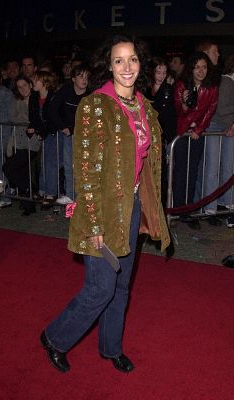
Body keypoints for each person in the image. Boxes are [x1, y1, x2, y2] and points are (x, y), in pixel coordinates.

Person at [40, 34, 170, 374]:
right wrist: (94, 223)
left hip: (132, 209)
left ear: (140, 64)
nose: (126, 67)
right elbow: (85, 170)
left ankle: (111, 348)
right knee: (101, 288)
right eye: (118, 60)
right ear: (108, 66)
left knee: (122, 286)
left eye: (132, 59)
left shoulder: (143, 104)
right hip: (100, 210)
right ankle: (55, 337)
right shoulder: (96, 106)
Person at [173, 52, 219, 229]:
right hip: (181, 133)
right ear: (191, 69)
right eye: (197, 67)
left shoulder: (212, 87)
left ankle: (188, 210)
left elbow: (210, 110)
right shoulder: (182, 85)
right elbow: (180, 112)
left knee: (193, 171)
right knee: (180, 171)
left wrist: (199, 129)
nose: (201, 71)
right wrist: (185, 102)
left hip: (198, 133)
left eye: (204, 67)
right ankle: (177, 209)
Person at [48, 63, 89, 205]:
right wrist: (62, 126)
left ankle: (85, 198)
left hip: (86, 136)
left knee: (85, 167)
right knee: (68, 165)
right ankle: (71, 195)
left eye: (86, 77)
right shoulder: (66, 91)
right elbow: (52, 109)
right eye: (80, 76)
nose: (84, 80)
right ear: (73, 78)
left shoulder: (91, 94)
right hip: (69, 135)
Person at [201, 55, 234, 225]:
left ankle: (226, 204)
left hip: (227, 127)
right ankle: (210, 206)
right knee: (213, 167)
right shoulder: (227, 81)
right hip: (215, 127)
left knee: (228, 167)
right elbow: (222, 109)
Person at [2, 75, 41, 215]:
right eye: (19, 87)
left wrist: (26, 121)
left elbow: (34, 118)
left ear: (30, 85)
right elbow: (12, 118)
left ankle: (28, 189)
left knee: (8, 167)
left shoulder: (36, 99)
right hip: (19, 141)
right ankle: (28, 206)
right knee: (22, 172)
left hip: (32, 142)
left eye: (24, 85)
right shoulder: (17, 101)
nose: (23, 89)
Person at [146, 56, 177, 206]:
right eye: (158, 72)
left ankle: (161, 205)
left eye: (164, 73)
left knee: (162, 173)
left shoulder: (168, 89)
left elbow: (169, 115)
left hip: (163, 136)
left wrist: (167, 136)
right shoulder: (145, 89)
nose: (161, 76)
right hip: (147, 136)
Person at [27, 71, 58, 209]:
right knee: (43, 161)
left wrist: (43, 131)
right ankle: (42, 190)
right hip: (43, 133)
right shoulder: (34, 97)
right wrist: (34, 127)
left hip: (53, 133)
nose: (32, 82)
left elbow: (54, 118)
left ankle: (50, 193)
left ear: (44, 82)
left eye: (35, 80)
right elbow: (33, 116)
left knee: (50, 162)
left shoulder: (53, 97)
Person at [0, 67, 14, 209]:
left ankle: (5, 195)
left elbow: (8, 118)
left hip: (2, 134)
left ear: (0, 78)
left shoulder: (6, 94)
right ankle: (3, 196)